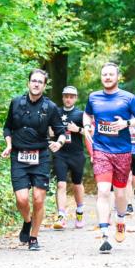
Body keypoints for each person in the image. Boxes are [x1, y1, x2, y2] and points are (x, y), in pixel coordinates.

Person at [83, 62, 135, 253]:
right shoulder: (93, 97)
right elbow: (87, 115)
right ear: (101, 77)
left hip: (122, 152)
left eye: (111, 74)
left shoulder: (128, 98)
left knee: (120, 194)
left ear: (117, 77)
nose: (108, 77)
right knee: (103, 191)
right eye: (104, 74)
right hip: (101, 150)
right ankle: (104, 234)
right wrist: (87, 126)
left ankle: (120, 220)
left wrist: (126, 123)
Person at [2, 69, 66, 250]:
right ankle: (27, 221)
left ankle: (34, 238)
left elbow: (61, 132)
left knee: (38, 199)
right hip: (19, 156)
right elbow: (7, 128)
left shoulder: (50, 107)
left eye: (40, 82)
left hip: (41, 157)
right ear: (28, 83)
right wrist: (8, 145)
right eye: (33, 81)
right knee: (22, 200)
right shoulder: (16, 103)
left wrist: (58, 143)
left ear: (44, 86)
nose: (36, 84)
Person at [51, 85, 89, 230]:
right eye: (66, 96)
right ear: (62, 97)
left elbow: (90, 132)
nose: (68, 99)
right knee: (61, 184)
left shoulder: (81, 114)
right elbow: (50, 129)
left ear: (75, 98)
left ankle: (79, 212)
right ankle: (61, 216)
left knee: (77, 184)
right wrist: (50, 132)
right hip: (60, 154)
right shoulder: (56, 112)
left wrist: (78, 129)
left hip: (77, 154)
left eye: (71, 96)